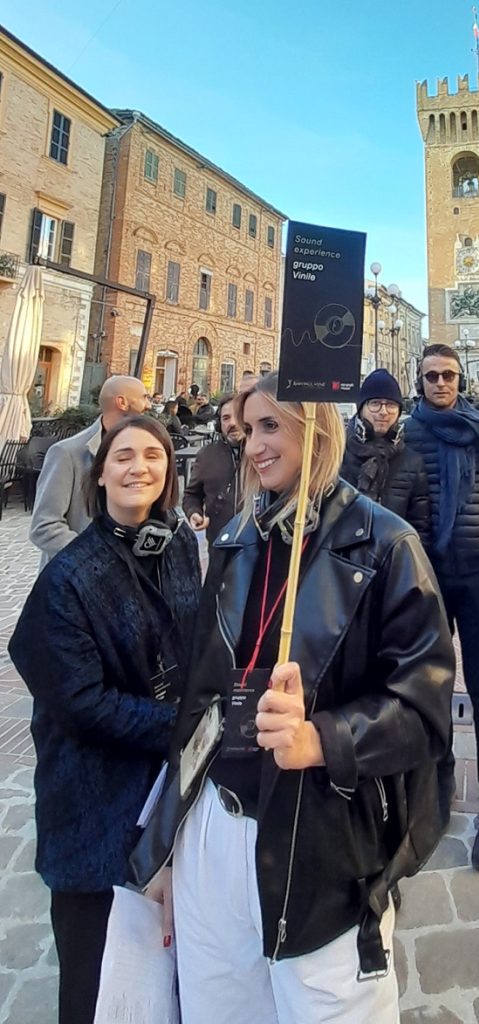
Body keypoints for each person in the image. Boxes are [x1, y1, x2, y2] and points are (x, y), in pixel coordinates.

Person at [131, 373, 454, 1023]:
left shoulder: (385, 546)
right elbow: (199, 703)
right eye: (248, 429)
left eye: (270, 426)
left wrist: (325, 738)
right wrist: (166, 844)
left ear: (317, 428)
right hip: (211, 838)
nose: (252, 445)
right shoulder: (236, 541)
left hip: (320, 848)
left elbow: (425, 708)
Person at [9, 416, 201, 1024]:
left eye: (153, 455)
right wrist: (184, 724)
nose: (139, 467)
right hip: (93, 803)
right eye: (123, 456)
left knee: (160, 978)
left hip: (166, 791)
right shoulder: (69, 578)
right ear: (99, 473)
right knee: (96, 986)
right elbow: (79, 703)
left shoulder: (176, 547)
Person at [404, 343, 479, 871]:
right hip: (427, 574)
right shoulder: (409, 431)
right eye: (432, 376)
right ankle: (440, 778)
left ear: (459, 380)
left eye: (449, 375)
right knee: (433, 682)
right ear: (420, 379)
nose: (441, 383)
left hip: (475, 570)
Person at [30, 375, 152, 567]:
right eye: (144, 397)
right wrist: (95, 558)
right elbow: (44, 526)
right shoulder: (67, 453)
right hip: (75, 581)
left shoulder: (143, 450)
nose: (149, 405)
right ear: (122, 402)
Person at [339, 368, 430, 543]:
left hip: (392, 557)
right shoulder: (338, 454)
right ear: (361, 408)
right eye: (375, 403)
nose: (383, 411)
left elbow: (420, 526)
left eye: (390, 405)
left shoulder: (412, 462)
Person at [182, 393, 243, 550]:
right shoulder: (206, 455)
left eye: (238, 416)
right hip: (218, 545)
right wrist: (193, 512)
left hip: (258, 547)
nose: (232, 423)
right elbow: (191, 495)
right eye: (226, 418)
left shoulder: (262, 453)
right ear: (218, 424)